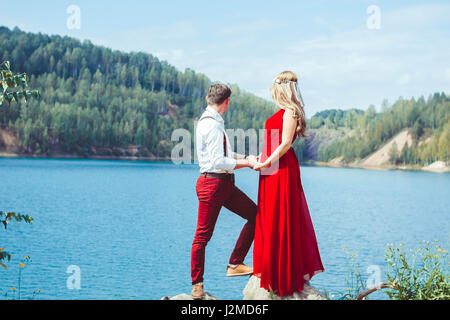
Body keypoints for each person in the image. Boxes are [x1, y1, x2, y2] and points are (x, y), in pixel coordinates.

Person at [252, 71, 324, 297]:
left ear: (281, 88)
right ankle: (272, 268)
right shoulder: (282, 112)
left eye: (274, 87)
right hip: (271, 167)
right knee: (269, 216)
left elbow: (283, 145)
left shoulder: (291, 112)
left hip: (281, 168)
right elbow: (273, 142)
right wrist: (261, 159)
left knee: (281, 216)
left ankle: (283, 275)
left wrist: (266, 161)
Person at [191, 83, 258, 299]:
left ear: (208, 99)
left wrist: (247, 158)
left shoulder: (213, 121)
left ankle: (235, 264)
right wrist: (247, 165)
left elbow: (226, 154)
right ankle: (197, 286)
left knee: (255, 215)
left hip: (224, 184)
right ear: (227, 102)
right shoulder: (211, 125)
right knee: (202, 237)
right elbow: (219, 161)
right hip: (213, 185)